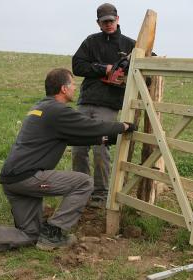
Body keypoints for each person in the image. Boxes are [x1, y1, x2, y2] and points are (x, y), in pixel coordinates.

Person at [0, 68, 136, 254]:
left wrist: (103, 139)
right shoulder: (58, 111)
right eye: (73, 84)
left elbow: (70, 137)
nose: (75, 88)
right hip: (29, 178)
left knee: (30, 234)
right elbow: (91, 126)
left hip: (12, 180)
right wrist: (122, 126)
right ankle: (54, 230)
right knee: (84, 182)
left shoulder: (41, 107)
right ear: (63, 89)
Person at [72, 3, 135, 203]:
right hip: (86, 100)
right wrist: (103, 68)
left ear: (118, 19)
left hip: (109, 104)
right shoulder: (90, 42)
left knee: (100, 148)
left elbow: (151, 63)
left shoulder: (131, 45)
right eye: (103, 21)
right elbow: (77, 65)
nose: (108, 24)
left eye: (111, 20)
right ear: (98, 23)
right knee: (78, 149)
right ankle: (81, 190)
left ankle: (100, 193)